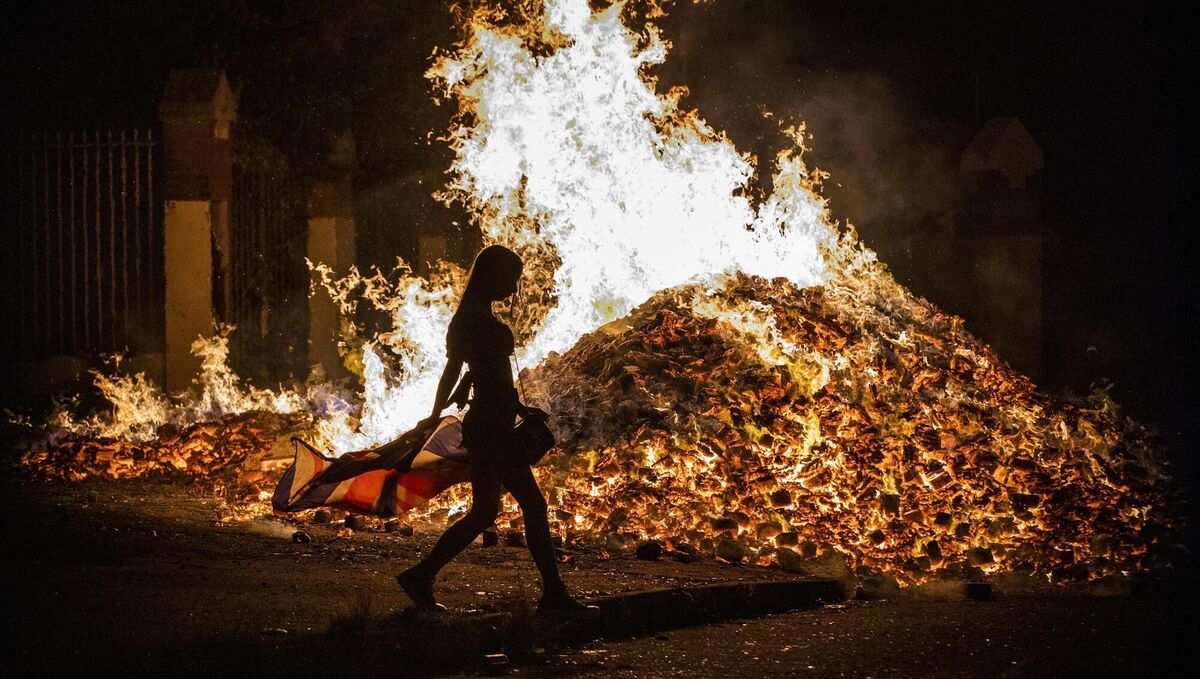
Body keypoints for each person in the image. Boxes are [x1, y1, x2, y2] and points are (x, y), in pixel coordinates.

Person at [396, 245, 597, 617]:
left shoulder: (474, 316)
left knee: (484, 511)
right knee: (534, 506)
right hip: (492, 430)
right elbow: (456, 372)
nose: (514, 288)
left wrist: (519, 409)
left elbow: (485, 377)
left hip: (489, 425)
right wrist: (435, 413)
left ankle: (421, 575)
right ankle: (553, 596)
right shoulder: (473, 320)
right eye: (510, 279)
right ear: (492, 276)